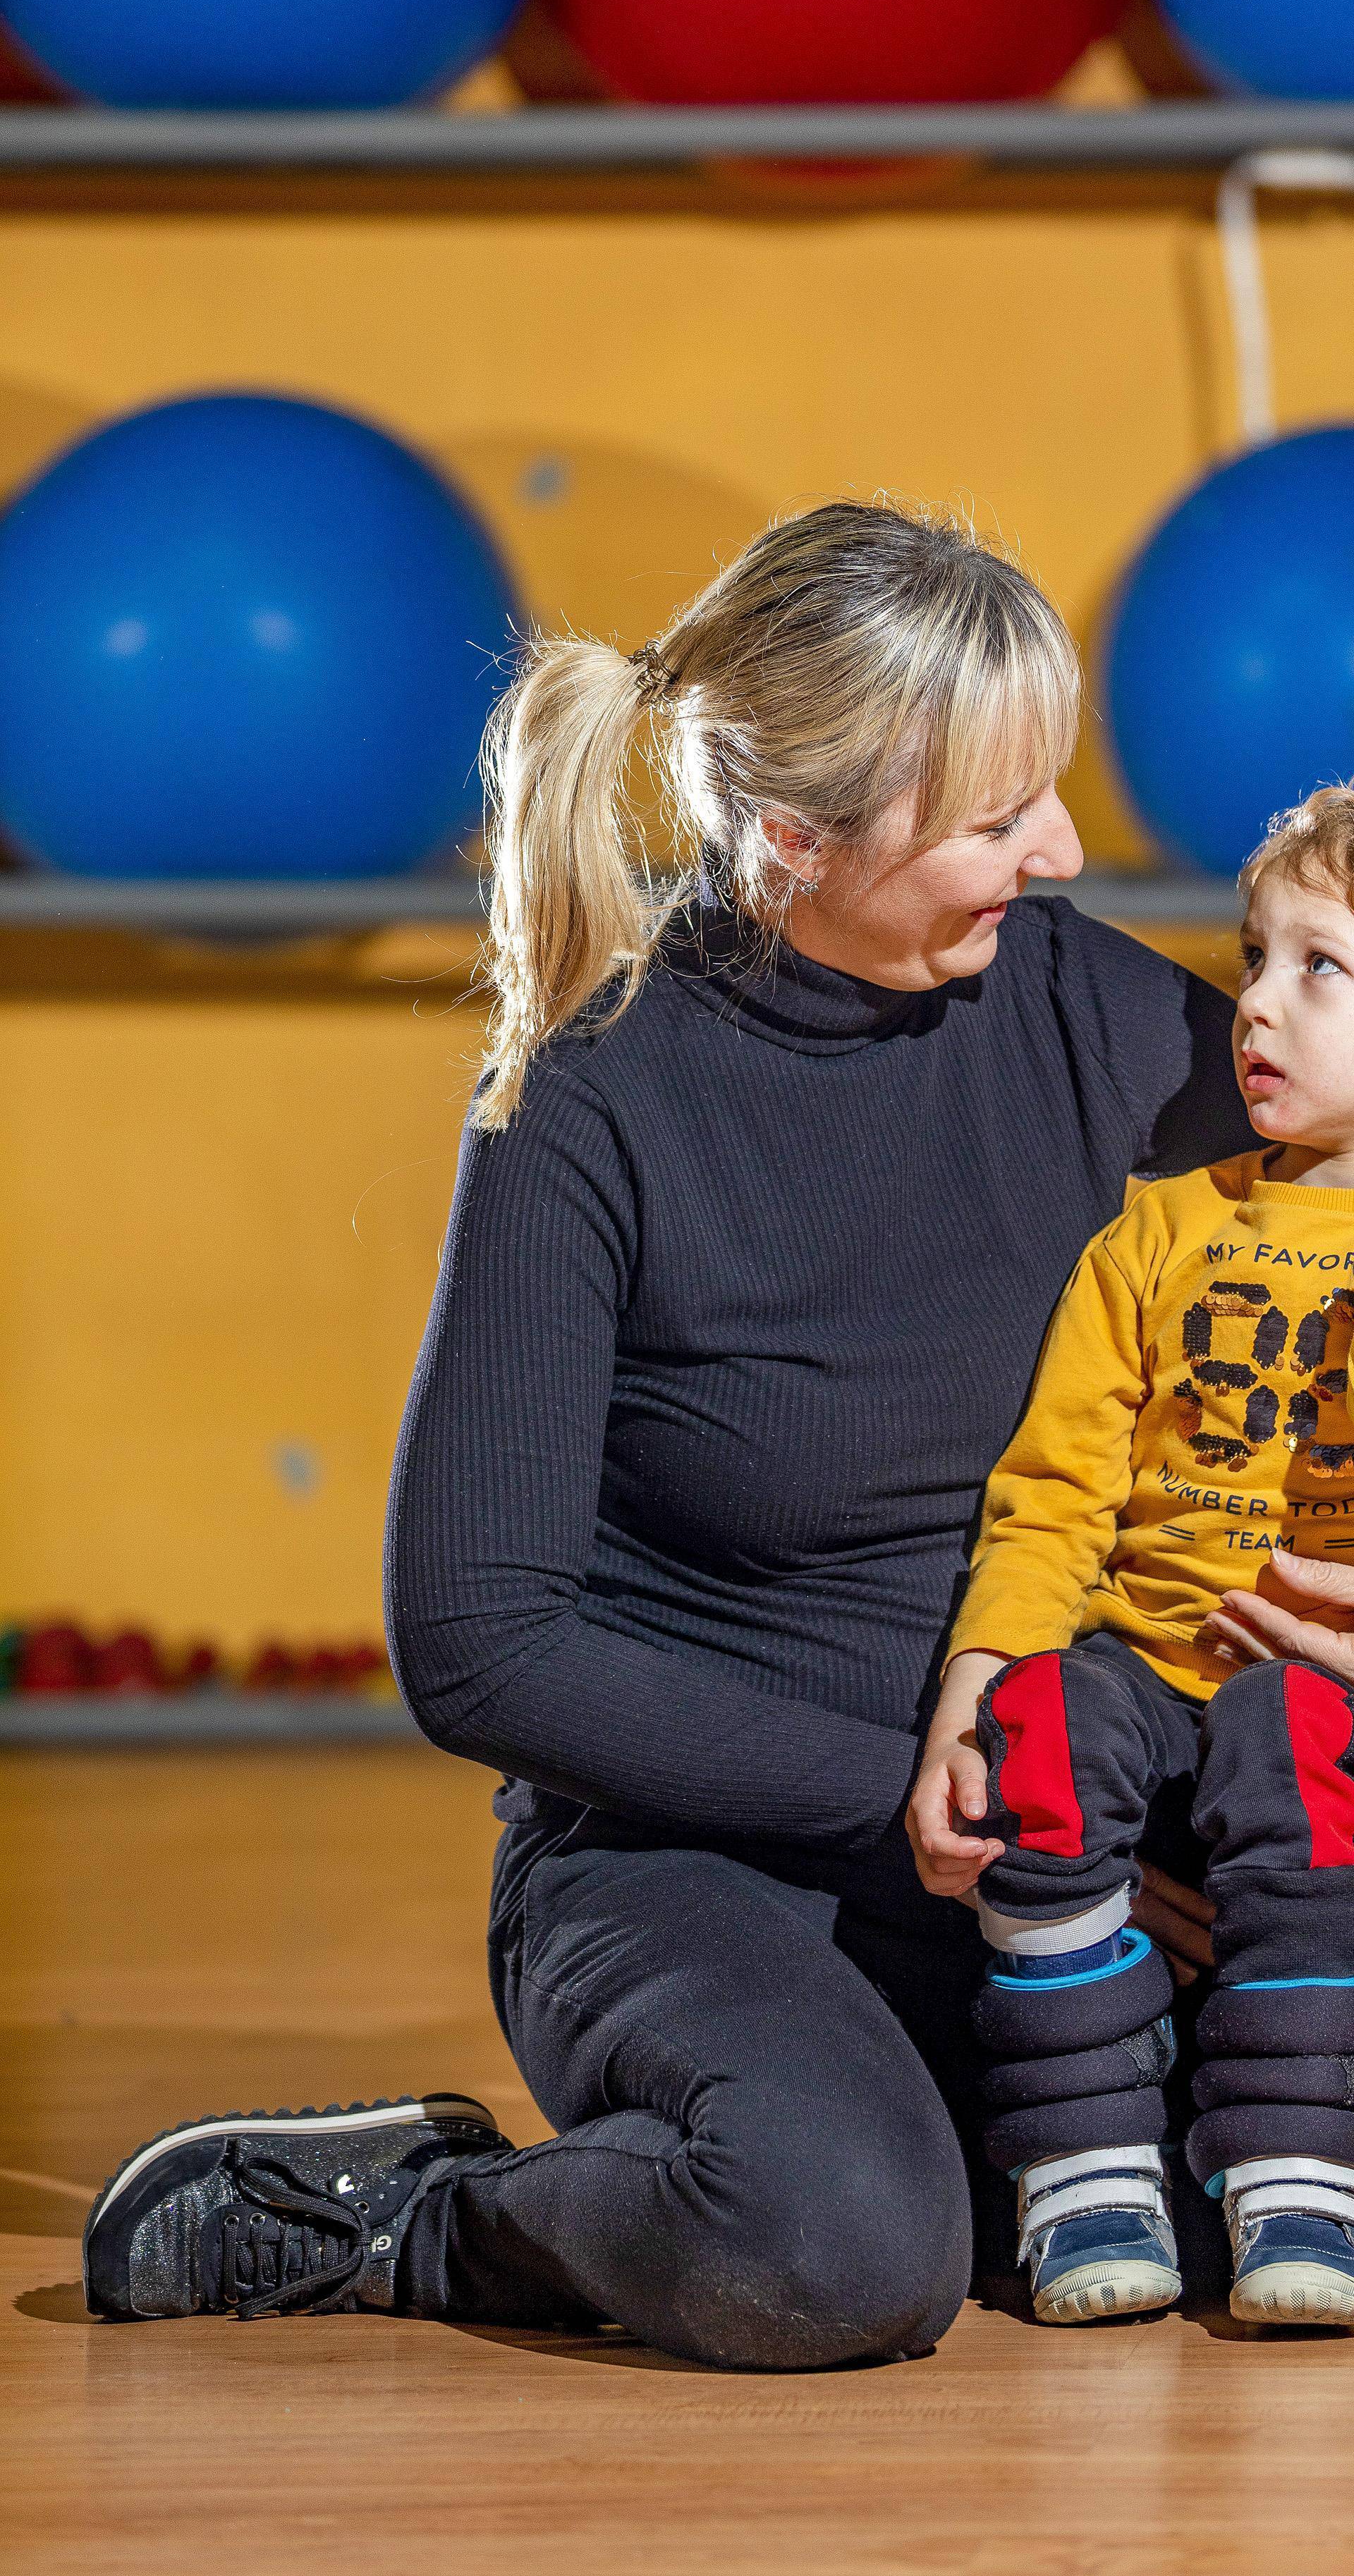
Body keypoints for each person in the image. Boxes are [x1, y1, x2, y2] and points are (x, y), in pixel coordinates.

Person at [84, 499, 1248, 2365]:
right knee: (836, 2248)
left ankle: (971, 2147)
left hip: (1059, 1848)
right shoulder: (592, 1090)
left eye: (1053, 788)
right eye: (992, 816)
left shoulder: (1111, 1027)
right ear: (792, 839)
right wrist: (912, 1792)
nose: (1065, 849)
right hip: (696, 1865)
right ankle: (419, 2219)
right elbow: (481, 1641)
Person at [910, 783, 1354, 2331]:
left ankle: (1302, 2167)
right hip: (1144, 1665)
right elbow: (1054, 1495)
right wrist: (987, 1674)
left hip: (1310, 1691)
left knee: (1301, 1759)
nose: (1258, 1006)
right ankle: (1088, 2164)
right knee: (1043, 1734)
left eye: (1322, 968)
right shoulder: (1154, 1235)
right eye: (1254, 957)